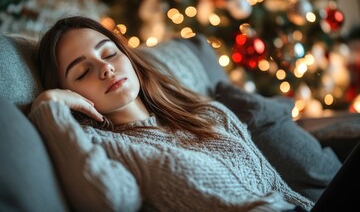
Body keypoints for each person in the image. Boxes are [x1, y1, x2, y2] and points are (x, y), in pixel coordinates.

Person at [29, 16, 313, 211]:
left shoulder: (206, 112)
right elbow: (112, 201)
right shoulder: (99, 144)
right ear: (71, 95)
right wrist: (49, 108)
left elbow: (276, 187)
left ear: (127, 57)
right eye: (82, 71)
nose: (105, 68)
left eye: (108, 53)